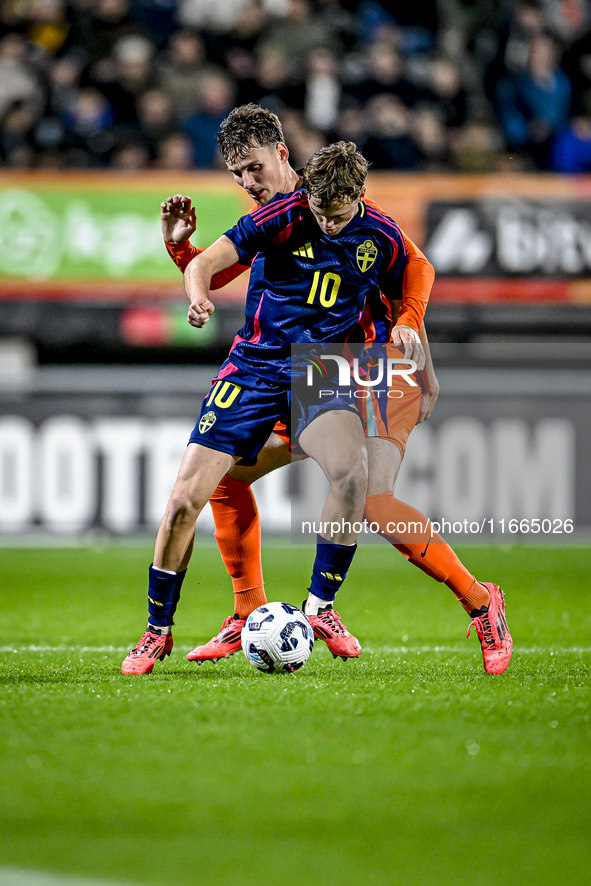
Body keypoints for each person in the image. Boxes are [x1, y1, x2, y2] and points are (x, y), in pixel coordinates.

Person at [128, 104, 512, 676]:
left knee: (371, 496)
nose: (246, 183)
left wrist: (419, 355)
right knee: (226, 480)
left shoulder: (357, 216)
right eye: (237, 175)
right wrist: (186, 261)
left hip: (367, 366)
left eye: (254, 169)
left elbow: (414, 273)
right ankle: (246, 611)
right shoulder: (283, 214)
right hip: (297, 370)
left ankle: (481, 603)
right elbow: (220, 267)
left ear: (284, 155)